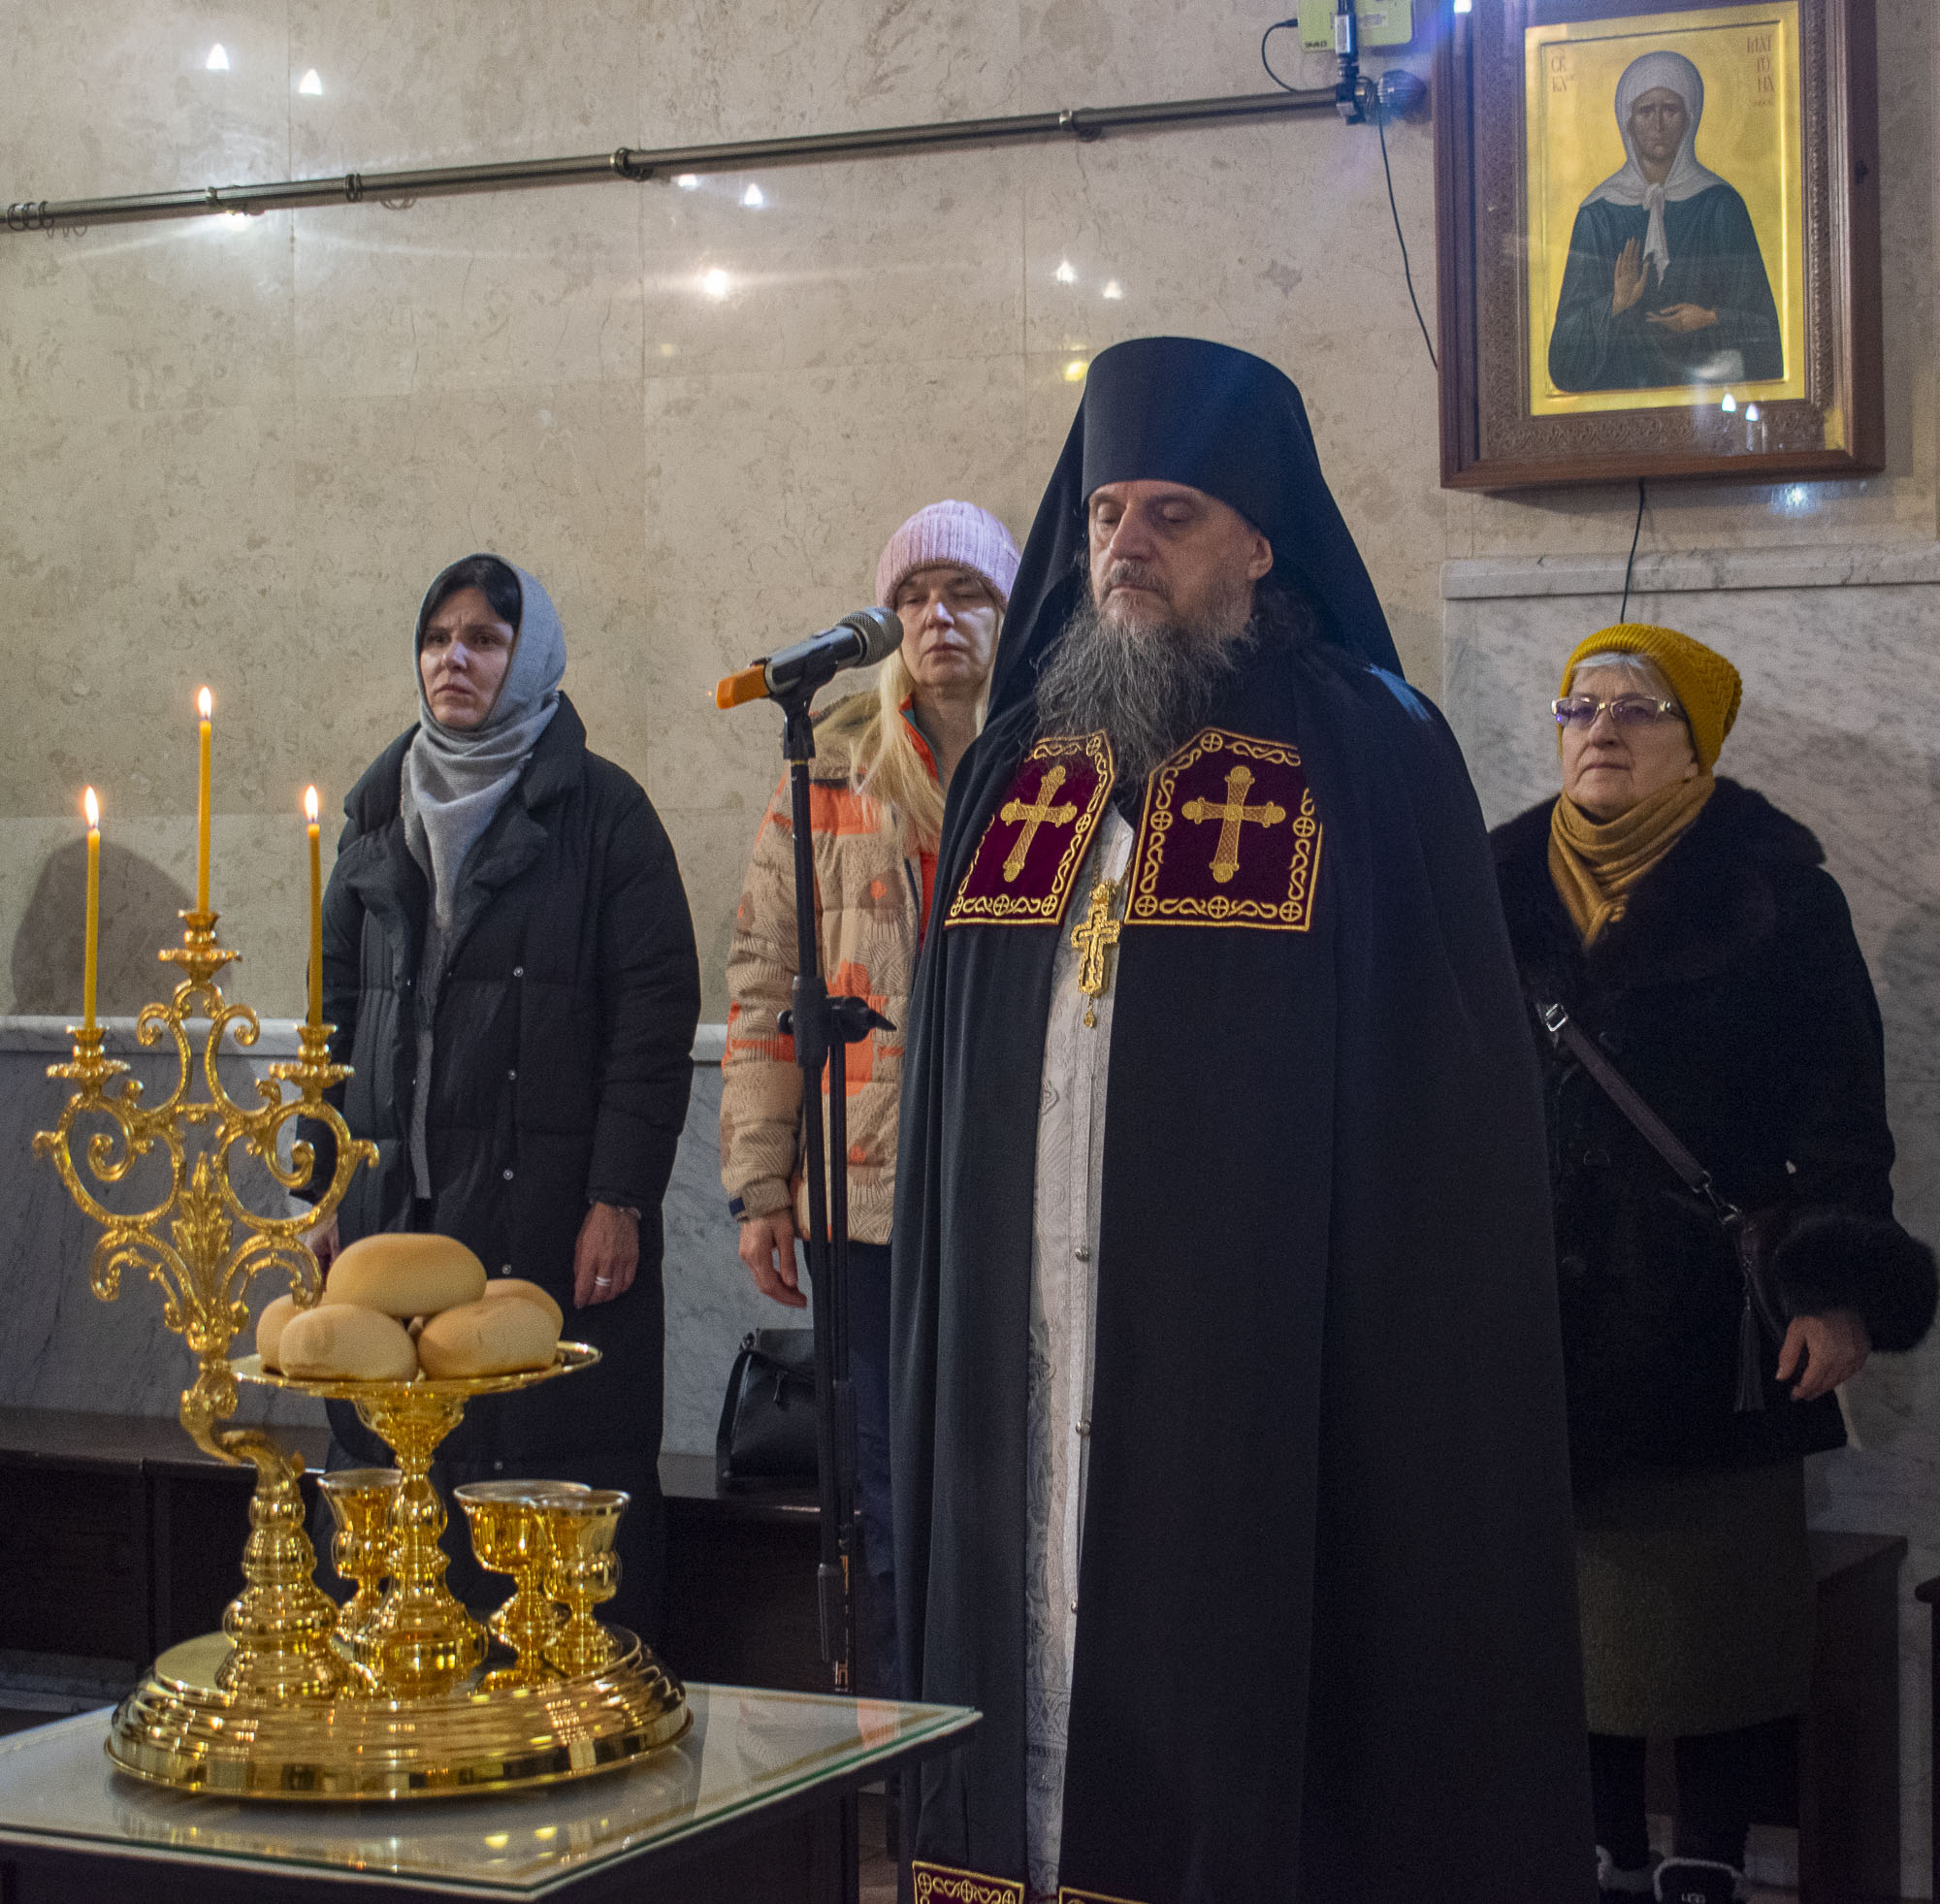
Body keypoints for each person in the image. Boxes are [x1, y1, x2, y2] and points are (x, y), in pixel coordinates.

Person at [890, 337, 1594, 1904]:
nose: (1126, 544)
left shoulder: (1370, 750)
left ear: (1263, 543)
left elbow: (1440, 1116)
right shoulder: (1017, 766)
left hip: (1265, 1375)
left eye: (1174, 513)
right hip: (1031, 1338)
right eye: (1108, 512)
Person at [1489, 625, 1936, 1904]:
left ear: (1698, 741)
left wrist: (1834, 1289)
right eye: (1578, 706)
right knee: (1564, 1602)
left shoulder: (1777, 892)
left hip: (1711, 1316)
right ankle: (1600, 1849)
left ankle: (1708, 1856)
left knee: (1717, 1610)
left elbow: (1842, 1112)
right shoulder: (1493, 883)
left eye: (1636, 708)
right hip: (1535, 1304)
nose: (1599, 728)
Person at [300, 553, 700, 1638]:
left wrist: (619, 1194)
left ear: (531, 659)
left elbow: (654, 1019)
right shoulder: (376, 811)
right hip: (396, 1212)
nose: (454, 660)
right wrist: (321, 1186)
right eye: (437, 639)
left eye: (484, 639)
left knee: (546, 1485)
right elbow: (330, 1013)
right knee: (395, 1494)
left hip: (551, 1212)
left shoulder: (605, 813)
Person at [722, 500, 1019, 1697]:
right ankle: (905, 1745)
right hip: (863, 1193)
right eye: (912, 596)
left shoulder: (1053, 763)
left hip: (1002, 1184)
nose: (937, 616)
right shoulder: (831, 764)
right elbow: (764, 978)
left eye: (966, 592)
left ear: (1010, 610)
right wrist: (759, 1184)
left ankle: (999, 1733)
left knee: (1000, 1481)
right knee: (886, 1494)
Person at [1548, 49, 1782, 394]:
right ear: (1627, 122)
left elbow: (1768, 333)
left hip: (1708, 394)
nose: (1657, 125)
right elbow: (1563, 360)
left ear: (1690, 118)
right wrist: (1615, 304)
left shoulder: (1721, 206)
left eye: (1670, 109)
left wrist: (1709, 318)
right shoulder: (1598, 215)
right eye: (1645, 111)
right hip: (1622, 402)